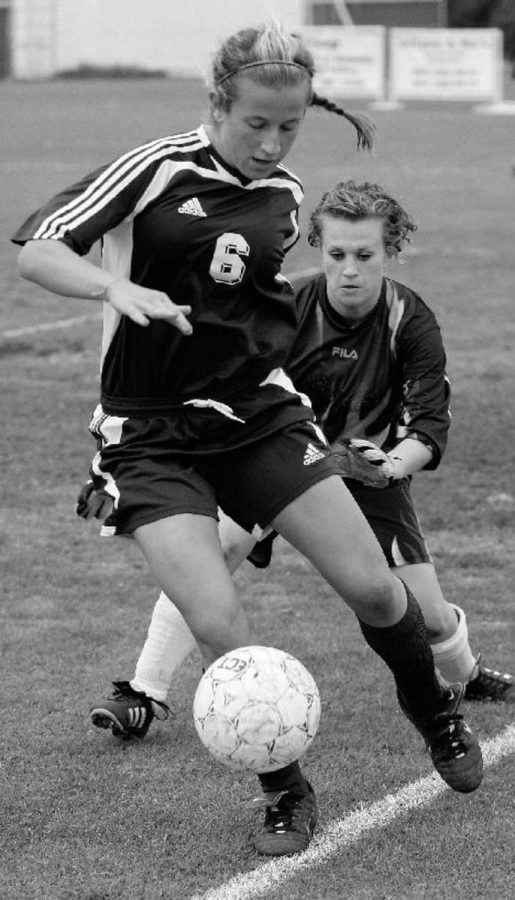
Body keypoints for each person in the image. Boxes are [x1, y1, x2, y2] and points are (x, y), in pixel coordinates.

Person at [13, 23, 482, 860]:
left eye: (288, 126)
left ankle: (434, 712)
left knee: (375, 591)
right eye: (254, 124)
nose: (270, 144)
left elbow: (253, 301)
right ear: (217, 104)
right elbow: (41, 252)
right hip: (150, 435)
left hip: (255, 416)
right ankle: (284, 789)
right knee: (218, 619)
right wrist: (115, 288)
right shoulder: (154, 167)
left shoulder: (286, 196)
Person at [88, 180, 513, 747]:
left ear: (391, 252)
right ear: (317, 248)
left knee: (426, 618)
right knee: (216, 551)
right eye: (336, 255)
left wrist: (388, 465)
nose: (350, 270)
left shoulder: (410, 320)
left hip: (368, 474)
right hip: (274, 456)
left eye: (365, 256)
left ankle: (467, 677)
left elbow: (429, 426)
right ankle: (144, 691)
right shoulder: (284, 305)